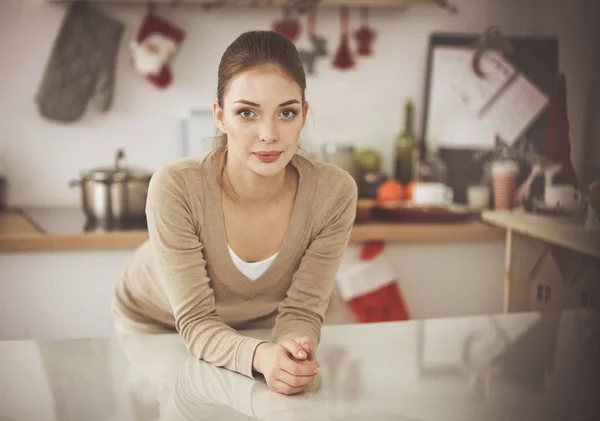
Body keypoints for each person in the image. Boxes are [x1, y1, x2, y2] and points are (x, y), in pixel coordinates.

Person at [112, 30, 358, 396]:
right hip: (160, 323)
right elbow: (195, 321)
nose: (269, 134)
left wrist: (292, 348)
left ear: (304, 116)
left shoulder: (334, 193)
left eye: (286, 113)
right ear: (220, 116)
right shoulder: (176, 187)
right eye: (247, 113)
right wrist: (260, 357)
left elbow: (303, 309)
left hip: (259, 327)